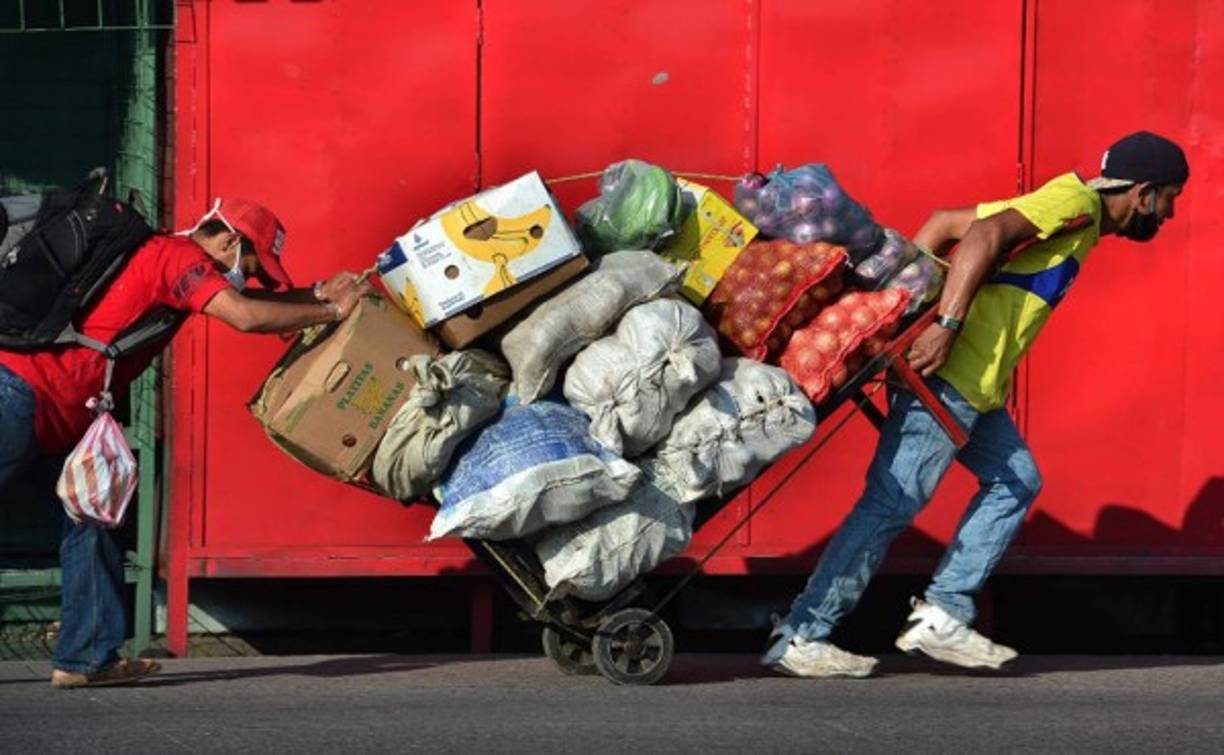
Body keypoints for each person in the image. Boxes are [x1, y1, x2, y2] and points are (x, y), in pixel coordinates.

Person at [763, 131, 1189, 678]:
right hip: (952, 377)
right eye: (1171, 197)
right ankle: (803, 632)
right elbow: (984, 233)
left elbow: (943, 223)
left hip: (977, 389)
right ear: (1144, 192)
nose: (1170, 213)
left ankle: (942, 612)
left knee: (1016, 480)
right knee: (890, 506)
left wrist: (894, 309)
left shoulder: (1067, 208)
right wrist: (940, 326)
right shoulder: (1074, 205)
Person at [0, 197, 372, 688]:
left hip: (54, 409)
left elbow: (247, 303)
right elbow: (243, 315)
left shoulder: (178, 261)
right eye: (253, 266)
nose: (248, 276)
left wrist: (318, 293)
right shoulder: (180, 260)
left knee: (98, 513)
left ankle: (87, 658)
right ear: (230, 241)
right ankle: (87, 655)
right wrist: (328, 311)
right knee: (95, 514)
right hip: (20, 394)